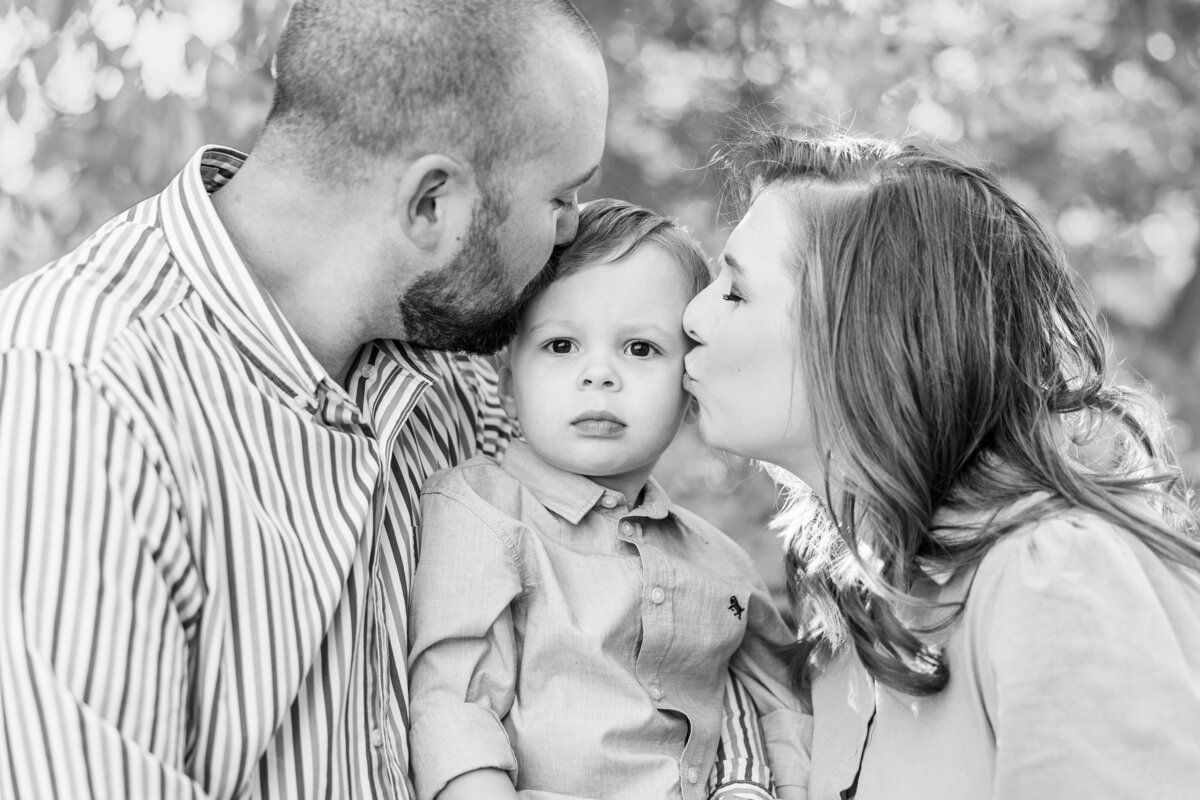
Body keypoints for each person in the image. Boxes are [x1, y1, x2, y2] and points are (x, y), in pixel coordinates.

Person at [0, 1, 607, 797]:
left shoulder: (460, 390)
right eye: (560, 197)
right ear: (431, 204)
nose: (570, 231)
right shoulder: (81, 395)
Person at [681, 131, 1200, 799]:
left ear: (865, 339)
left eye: (735, 292)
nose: (692, 316)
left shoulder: (1056, 575)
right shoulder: (854, 616)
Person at [407, 199, 809, 800]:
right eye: (561, 346)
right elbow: (455, 703)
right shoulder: (481, 512)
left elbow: (772, 704)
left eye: (640, 349)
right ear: (508, 378)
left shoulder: (722, 564)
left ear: (690, 382)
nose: (600, 375)